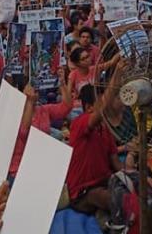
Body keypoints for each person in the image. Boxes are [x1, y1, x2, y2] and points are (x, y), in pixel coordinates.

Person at [64, 85, 120, 214]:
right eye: (101, 103)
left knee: (141, 186)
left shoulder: (105, 130)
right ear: (89, 108)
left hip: (105, 181)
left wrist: (136, 179)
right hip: (83, 192)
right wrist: (117, 74)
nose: (107, 106)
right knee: (114, 199)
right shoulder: (79, 123)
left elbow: (116, 163)